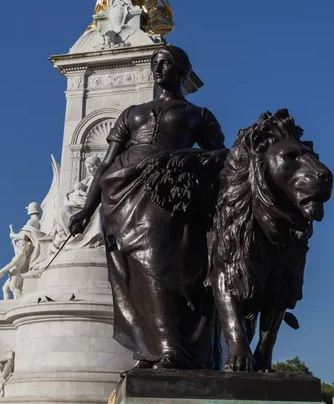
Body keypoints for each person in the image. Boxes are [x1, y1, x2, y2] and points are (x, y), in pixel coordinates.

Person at [69, 45, 225, 370]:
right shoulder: (132, 113)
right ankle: (150, 348)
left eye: (164, 63)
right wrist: (86, 210)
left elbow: (221, 158)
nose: (157, 69)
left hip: (166, 195)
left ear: (181, 70)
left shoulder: (197, 114)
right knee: (135, 273)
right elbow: (105, 166)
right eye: (155, 64)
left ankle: (171, 346)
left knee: (161, 266)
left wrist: (181, 161)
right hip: (122, 197)